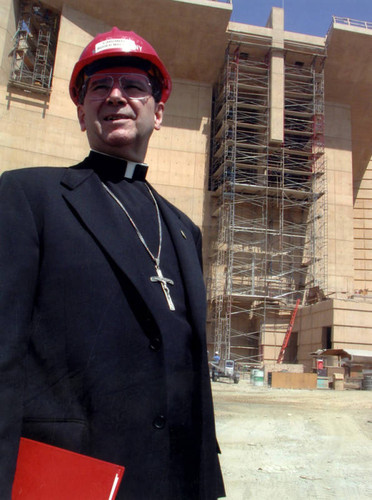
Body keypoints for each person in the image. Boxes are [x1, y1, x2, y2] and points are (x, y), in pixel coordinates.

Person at [0, 28, 225, 499]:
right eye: (99, 87)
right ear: (81, 112)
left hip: (172, 479)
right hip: (70, 477)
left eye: (133, 86)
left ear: (158, 112)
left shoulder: (184, 229)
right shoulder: (28, 197)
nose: (115, 96)